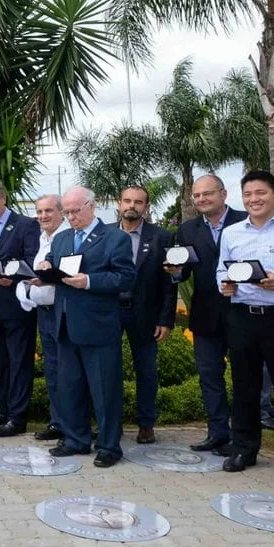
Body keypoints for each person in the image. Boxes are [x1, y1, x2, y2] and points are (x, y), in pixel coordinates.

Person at [215, 170, 274, 480]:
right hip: (242, 316)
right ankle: (244, 448)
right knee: (244, 386)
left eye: (261, 193)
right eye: (248, 194)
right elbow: (221, 271)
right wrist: (225, 285)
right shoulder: (232, 233)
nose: (254, 199)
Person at [36, 187, 135, 467]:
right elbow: (56, 267)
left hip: (98, 327)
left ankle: (109, 446)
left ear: (92, 206)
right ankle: (75, 439)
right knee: (70, 388)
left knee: (104, 391)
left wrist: (89, 281)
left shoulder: (114, 237)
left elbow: (126, 277)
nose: (70, 217)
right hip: (65, 325)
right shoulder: (62, 238)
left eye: (75, 211)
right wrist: (44, 272)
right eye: (66, 212)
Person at [166, 175, 248, 454]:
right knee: (209, 377)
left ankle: (243, 437)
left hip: (241, 313)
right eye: (197, 195)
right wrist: (176, 271)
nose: (201, 199)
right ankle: (217, 433)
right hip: (204, 314)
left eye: (207, 194)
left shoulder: (245, 221)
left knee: (244, 377)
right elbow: (183, 271)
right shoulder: (187, 229)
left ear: (223, 194)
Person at [0, 177, 42, 437]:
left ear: (3, 198)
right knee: (0, 361)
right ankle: (4, 409)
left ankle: (18, 417)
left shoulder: (25, 225)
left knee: (19, 361)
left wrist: (12, 278)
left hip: (17, 305)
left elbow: (32, 261)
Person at [115, 185, 177, 445]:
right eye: (127, 200)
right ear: (119, 203)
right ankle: (111, 423)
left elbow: (169, 282)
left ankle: (146, 423)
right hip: (109, 313)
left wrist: (166, 319)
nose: (132, 206)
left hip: (145, 314)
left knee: (147, 371)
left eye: (138, 202)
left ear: (146, 207)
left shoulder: (162, 237)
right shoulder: (104, 234)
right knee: (107, 370)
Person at [16, 195, 66, 440]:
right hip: (44, 313)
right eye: (39, 212)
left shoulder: (67, 237)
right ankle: (57, 422)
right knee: (53, 370)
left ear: (61, 212)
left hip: (62, 312)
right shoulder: (42, 237)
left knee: (67, 370)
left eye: (48, 211)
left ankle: (73, 425)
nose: (43, 216)